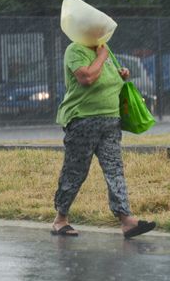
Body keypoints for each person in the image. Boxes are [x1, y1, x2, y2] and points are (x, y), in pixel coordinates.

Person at [52, 38, 157, 239]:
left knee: (115, 170)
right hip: (83, 120)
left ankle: (126, 220)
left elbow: (109, 75)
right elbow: (87, 78)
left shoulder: (104, 47)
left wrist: (122, 74)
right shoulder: (75, 50)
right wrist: (101, 56)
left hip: (110, 121)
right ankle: (60, 219)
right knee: (75, 171)